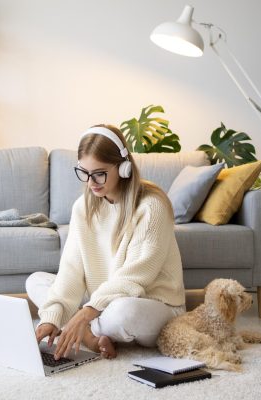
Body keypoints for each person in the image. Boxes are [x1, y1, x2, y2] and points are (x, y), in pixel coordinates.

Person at [26, 124, 186, 360]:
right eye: (84, 173)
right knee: (36, 281)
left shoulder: (152, 207)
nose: (91, 182)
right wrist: (50, 318)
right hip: (102, 301)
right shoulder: (83, 207)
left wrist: (84, 314)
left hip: (149, 303)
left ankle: (85, 330)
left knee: (124, 313)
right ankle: (90, 333)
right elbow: (71, 269)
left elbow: (134, 277)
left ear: (123, 168)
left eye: (99, 173)